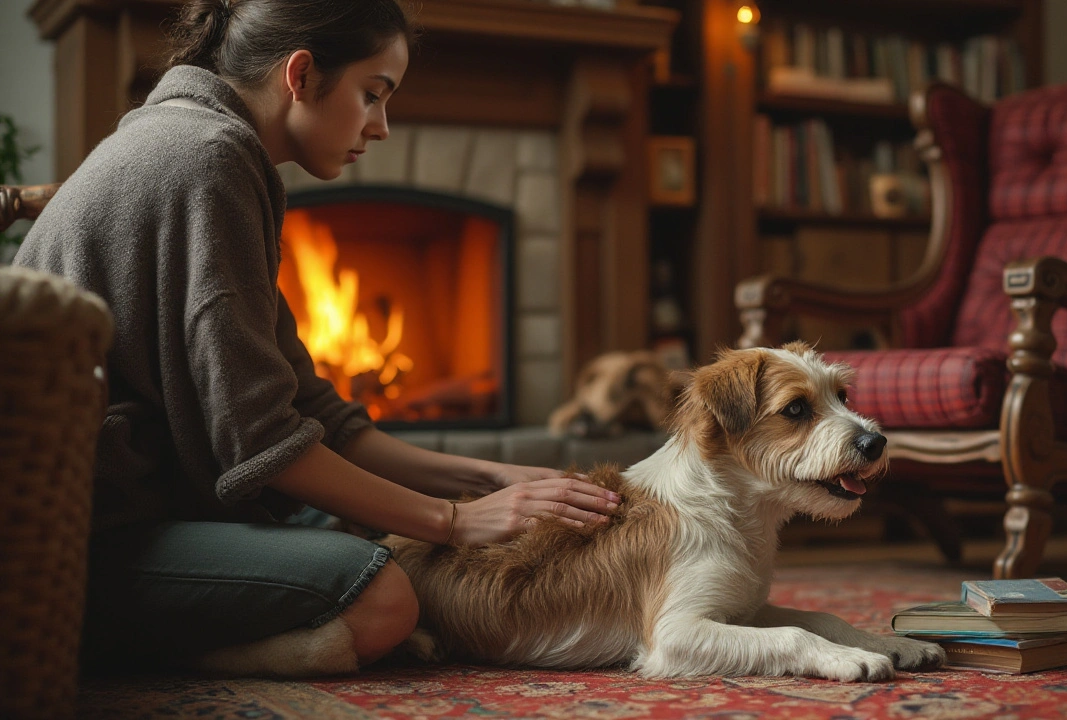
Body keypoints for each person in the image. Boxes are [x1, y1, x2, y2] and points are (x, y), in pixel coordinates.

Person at [14, 0, 619, 675]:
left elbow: (315, 413)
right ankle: (125, 652)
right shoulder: (206, 159)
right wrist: (455, 520)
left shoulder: (203, 144)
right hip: (75, 544)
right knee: (384, 597)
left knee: (379, 541)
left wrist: (490, 478)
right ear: (300, 76)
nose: (381, 127)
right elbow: (266, 444)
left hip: (139, 514)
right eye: (372, 95)